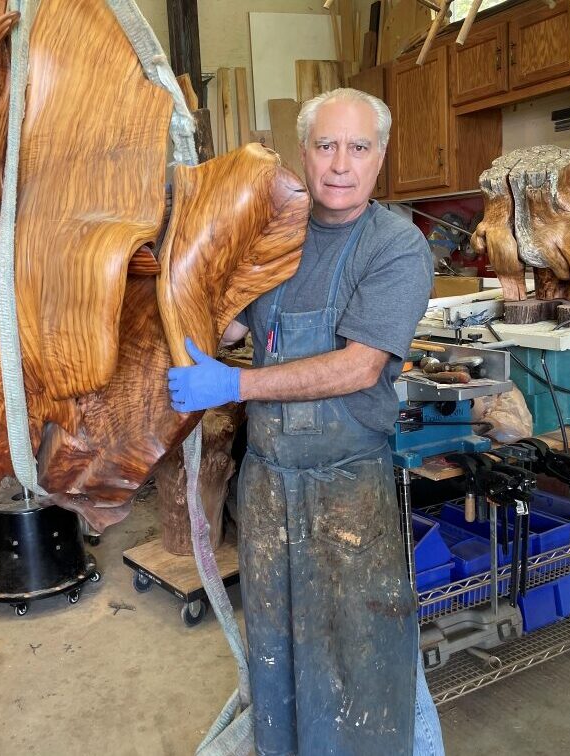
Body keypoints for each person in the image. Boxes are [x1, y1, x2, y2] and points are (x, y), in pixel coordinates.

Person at [168, 88, 444, 756]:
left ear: (380, 157)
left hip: (350, 491)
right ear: (305, 154)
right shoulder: (275, 235)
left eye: (358, 147)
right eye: (326, 146)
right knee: (278, 657)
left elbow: (356, 367)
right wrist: (184, 267)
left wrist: (233, 382)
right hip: (267, 490)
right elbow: (233, 320)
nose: (340, 164)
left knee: (362, 663)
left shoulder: (398, 247)